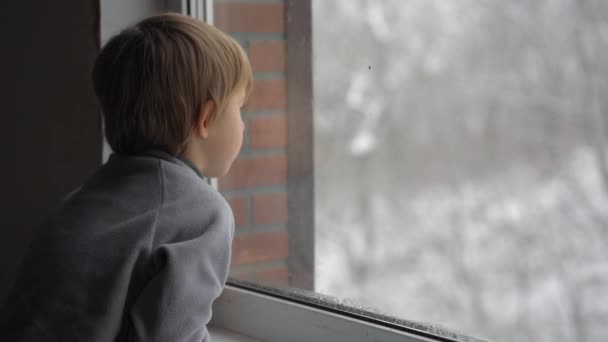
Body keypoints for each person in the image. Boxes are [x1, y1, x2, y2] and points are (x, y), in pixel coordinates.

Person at [0, 13, 251, 341]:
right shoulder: (204, 213)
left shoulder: (84, 198)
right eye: (240, 109)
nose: (244, 124)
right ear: (205, 118)